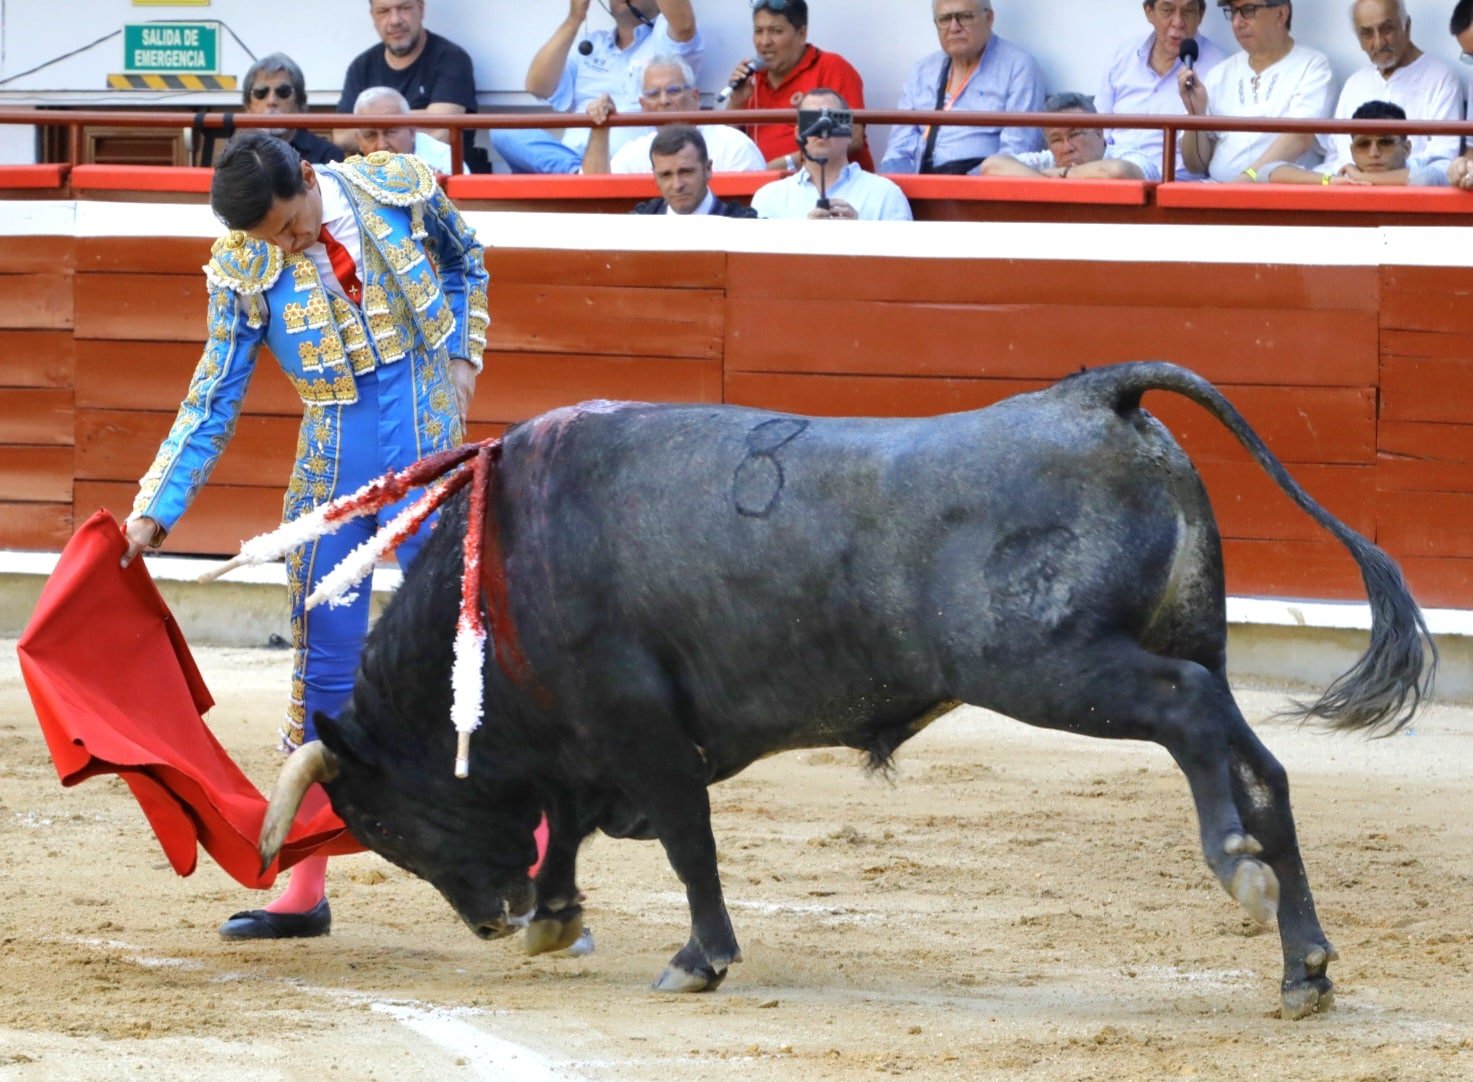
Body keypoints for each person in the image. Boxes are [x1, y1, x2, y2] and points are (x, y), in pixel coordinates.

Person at [121, 132, 488, 940]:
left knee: (462, 653)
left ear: (311, 180)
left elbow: (466, 258)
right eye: (272, 239)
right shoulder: (244, 266)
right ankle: (304, 883)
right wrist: (155, 509)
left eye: (292, 226)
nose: (289, 247)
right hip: (333, 467)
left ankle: (536, 865)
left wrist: (463, 352)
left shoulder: (394, 187)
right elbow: (212, 396)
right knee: (323, 667)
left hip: (428, 447)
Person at [492, 0, 701, 175]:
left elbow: (684, 27)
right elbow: (537, 86)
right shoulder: (592, 44)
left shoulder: (666, 41)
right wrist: (575, 18)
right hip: (568, 157)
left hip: (625, 164)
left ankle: (580, 177)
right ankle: (578, 174)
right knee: (504, 130)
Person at [879, 0, 1046, 176]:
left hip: (980, 185)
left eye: (965, 17)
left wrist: (963, 184)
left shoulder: (1018, 67)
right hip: (920, 183)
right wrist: (900, 186)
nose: (954, 28)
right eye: (945, 19)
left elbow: (1017, 154)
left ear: (989, 18)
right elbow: (898, 150)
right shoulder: (922, 72)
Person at [1177, 0, 1334, 182]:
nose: (1237, 23)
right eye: (1233, 12)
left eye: (1248, 10)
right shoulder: (1220, 73)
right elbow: (1195, 165)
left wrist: (1248, 178)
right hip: (1217, 188)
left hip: (1276, 192)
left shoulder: (1312, 67)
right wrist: (1195, 114)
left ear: (1281, 14)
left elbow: (1300, 138)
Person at [723, 0, 875, 172]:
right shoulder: (752, 79)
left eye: (776, 31)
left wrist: (788, 163)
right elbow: (725, 147)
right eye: (758, 31)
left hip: (826, 182)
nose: (764, 41)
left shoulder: (830, 67)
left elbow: (852, 138)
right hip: (762, 184)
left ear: (802, 34)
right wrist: (736, 102)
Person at [1320, 0, 1463, 174]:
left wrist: (1374, 177)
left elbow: (1443, 158)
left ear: (1407, 27)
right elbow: (1336, 156)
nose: (1379, 42)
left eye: (1386, 29)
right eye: (1367, 34)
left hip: (1411, 188)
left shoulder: (1440, 78)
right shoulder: (1355, 84)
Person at [336, 0, 481, 169]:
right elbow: (341, 135)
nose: (395, 20)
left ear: (421, 8)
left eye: (404, 8)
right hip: (374, 177)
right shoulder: (361, 66)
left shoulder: (451, 59)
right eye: (383, 11)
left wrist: (369, 121)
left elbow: (441, 131)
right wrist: (412, 120)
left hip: (441, 175)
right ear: (373, 16)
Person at [1095, 0, 1229, 181]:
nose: (1178, 22)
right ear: (1149, 12)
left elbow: (1216, 153)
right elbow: (1099, 132)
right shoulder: (1122, 58)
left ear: (1200, 14)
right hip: (1120, 180)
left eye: (1188, 11)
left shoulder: (1219, 68)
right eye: (1167, 10)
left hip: (1179, 184)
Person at [582, 56, 765, 175]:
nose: (664, 101)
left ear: (695, 98)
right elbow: (593, 194)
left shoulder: (733, 145)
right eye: (653, 94)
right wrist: (600, 129)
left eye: (673, 91)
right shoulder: (633, 153)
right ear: (643, 106)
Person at [750, 89, 911, 220]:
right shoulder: (769, 197)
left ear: (849, 131)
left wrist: (861, 234)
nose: (821, 129)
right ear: (798, 133)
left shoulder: (885, 194)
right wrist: (803, 236)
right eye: (811, 120)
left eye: (831, 119)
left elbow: (903, 251)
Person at [1264, 99, 1451, 184]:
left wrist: (1360, 177)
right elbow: (1266, 172)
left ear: (1407, 148)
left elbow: (1425, 179)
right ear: (1352, 150)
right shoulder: (1344, 176)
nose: (1374, 153)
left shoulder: (1425, 164)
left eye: (1385, 142)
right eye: (1363, 144)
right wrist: (1331, 180)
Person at [979, 92, 1151, 179]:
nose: (1067, 147)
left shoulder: (1128, 154)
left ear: (1099, 131)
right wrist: (1050, 183)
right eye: (1056, 140)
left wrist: (1063, 174)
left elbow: (1118, 172)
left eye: (1075, 134)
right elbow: (991, 166)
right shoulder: (1048, 160)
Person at [238, 54, 344, 167]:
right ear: (248, 106)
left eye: (283, 92)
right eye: (261, 92)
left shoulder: (328, 156)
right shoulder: (236, 155)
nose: (271, 101)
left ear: (300, 103)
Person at [630, 125, 760, 215]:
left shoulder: (744, 226)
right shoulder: (636, 225)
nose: (677, 185)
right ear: (655, 176)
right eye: (666, 175)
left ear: (707, 169)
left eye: (686, 172)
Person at [353, 85, 464, 174]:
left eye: (390, 132)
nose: (381, 146)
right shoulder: (351, 174)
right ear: (358, 140)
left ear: (411, 130)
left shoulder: (445, 162)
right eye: (370, 135)